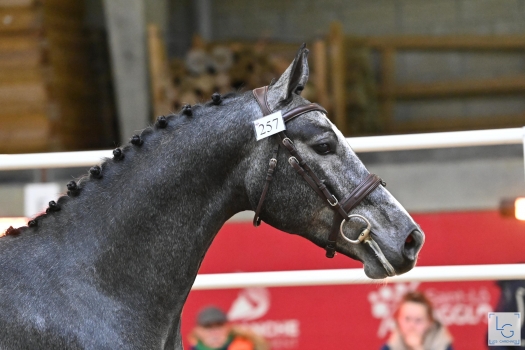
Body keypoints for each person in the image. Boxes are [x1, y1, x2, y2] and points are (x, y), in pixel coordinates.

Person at [381, 291, 453, 350]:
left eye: (418, 320)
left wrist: (417, 348)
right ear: (398, 321)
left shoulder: (444, 346)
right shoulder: (389, 347)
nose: (412, 325)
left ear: (430, 323)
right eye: (407, 319)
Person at [188, 305, 268, 350]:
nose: (214, 331)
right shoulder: (191, 348)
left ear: (228, 327)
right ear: (198, 331)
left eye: (219, 325)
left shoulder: (246, 346)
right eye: (208, 327)